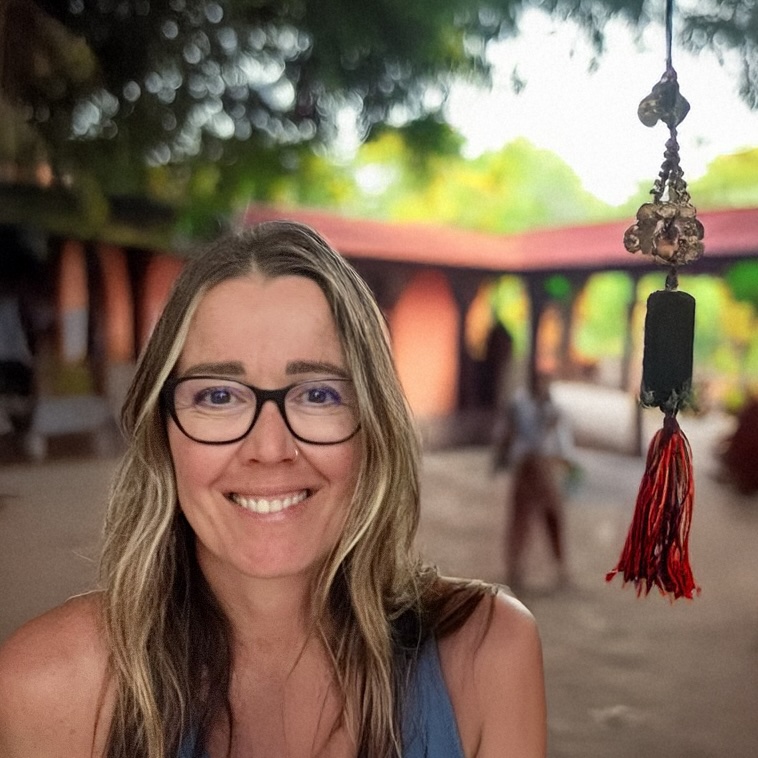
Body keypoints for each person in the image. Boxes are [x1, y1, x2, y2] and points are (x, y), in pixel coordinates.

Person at [0, 221, 546, 757]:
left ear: (375, 424)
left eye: (318, 394)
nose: (269, 447)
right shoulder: (48, 688)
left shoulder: (486, 655)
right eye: (218, 396)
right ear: (162, 432)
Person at [497, 372, 574, 592]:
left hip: (544, 466)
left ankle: (560, 567)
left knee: (553, 517)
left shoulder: (552, 408)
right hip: (527, 465)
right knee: (521, 519)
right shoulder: (520, 405)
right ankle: (514, 568)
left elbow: (559, 440)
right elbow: (511, 435)